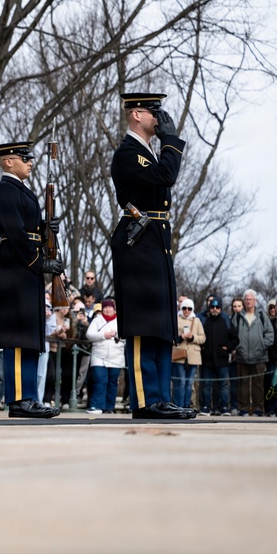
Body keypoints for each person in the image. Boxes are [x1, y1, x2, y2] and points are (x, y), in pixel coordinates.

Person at [110, 93, 194, 420]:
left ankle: (161, 397)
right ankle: (146, 401)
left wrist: (166, 144)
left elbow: (163, 180)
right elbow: (165, 177)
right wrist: (172, 141)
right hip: (138, 242)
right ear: (136, 115)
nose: (158, 117)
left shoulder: (149, 153)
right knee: (144, 324)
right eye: (152, 110)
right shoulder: (128, 154)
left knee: (160, 325)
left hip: (155, 240)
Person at [0, 141, 63, 418]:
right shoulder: (6, 189)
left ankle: (29, 396)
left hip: (25, 266)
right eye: (24, 157)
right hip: (16, 266)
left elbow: (29, 229)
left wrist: (45, 230)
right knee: (18, 335)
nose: (30, 161)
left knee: (30, 336)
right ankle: (19, 399)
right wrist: (39, 261)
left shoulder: (21, 190)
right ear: (8, 161)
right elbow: (16, 232)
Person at [230, 289, 274, 416]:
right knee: (242, 385)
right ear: (244, 301)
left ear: (255, 301)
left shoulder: (262, 316)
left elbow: (270, 334)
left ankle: (258, 410)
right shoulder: (237, 317)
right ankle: (242, 409)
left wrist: (262, 347)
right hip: (242, 356)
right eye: (247, 299)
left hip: (259, 357)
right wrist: (238, 348)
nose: (248, 301)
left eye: (251, 299)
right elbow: (232, 335)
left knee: (258, 386)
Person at [85, 298, 125, 413]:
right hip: (99, 356)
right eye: (105, 307)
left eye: (110, 307)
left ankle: (109, 407)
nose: (108, 310)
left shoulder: (120, 321)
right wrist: (103, 335)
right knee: (99, 381)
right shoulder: (97, 320)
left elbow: (126, 337)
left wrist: (116, 335)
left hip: (116, 356)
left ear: (114, 309)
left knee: (112, 382)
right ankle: (96, 405)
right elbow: (89, 335)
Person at [199, 298, 234, 415]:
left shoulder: (226, 321)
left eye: (217, 307)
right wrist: (203, 349)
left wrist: (227, 348)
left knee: (223, 385)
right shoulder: (204, 321)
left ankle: (224, 407)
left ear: (220, 309)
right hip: (207, 359)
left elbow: (235, 339)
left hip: (222, 359)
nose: (215, 309)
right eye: (212, 307)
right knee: (206, 385)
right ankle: (206, 407)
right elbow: (199, 337)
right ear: (209, 308)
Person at [172, 298, 205, 409]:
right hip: (179, 354)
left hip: (193, 355)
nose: (187, 311)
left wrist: (193, 337)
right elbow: (171, 338)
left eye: (189, 308)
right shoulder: (175, 319)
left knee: (189, 383)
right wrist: (181, 337)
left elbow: (203, 338)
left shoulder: (197, 321)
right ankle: (178, 406)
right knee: (180, 382)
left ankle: (187, 406)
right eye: (184, 308)